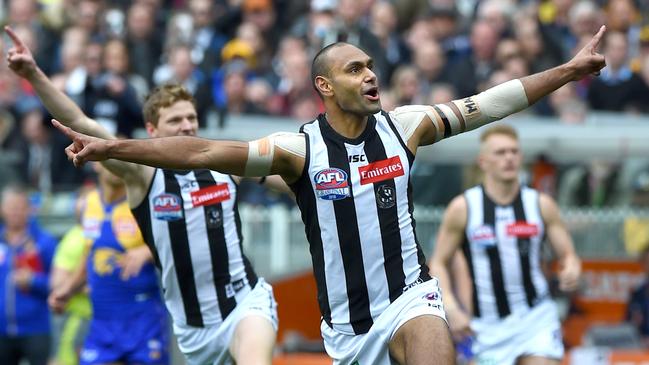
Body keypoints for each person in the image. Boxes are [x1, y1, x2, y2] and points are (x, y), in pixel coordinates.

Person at [50, 25, 606, 365]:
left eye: (370, 66)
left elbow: (488, 104)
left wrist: (569, 71)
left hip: (411, 295)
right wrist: (111, 148)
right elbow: (198, 153)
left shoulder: (405, 126)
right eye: (354, 68)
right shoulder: (297, 150)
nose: (370, 75)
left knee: (433, 341)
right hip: (347, 328)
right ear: (324, 85)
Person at [5, 26, 278, 365]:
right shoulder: (143, 176)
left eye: (191, 118)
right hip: (193, 328)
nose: (186, 126)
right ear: (152, 131)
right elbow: (81, 120)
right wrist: (33, 73)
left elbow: (285, 175)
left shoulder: (223, 163)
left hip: (245, 303)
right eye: (175, 120)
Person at [429, 125, 582, 365]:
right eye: (500, 153)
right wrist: (450, 306)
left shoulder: (540, 204)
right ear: (483, 161)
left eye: (514, 151)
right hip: (486, 326)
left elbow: (568, 255)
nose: (509, 158)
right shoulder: (464, 207)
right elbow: (438, 262)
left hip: (535, 317)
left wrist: (572, 269)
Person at [49, 163, 169, 365]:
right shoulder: (89, 203)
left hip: (142, 319)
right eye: (110, 157)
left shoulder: (144, 201)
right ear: (96, 163)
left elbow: (177, 243)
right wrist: (67, 290)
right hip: (102, 319)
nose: (116, 163)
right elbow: (90, 255)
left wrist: (147, 251)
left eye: (122, 158)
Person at [0, 184, 57, 365]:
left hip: (36, 329)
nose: (15, 212)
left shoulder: (44, 242)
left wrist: (33, 281)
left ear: (29, 209)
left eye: (20, 207)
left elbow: (59, 284)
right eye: (11, 208)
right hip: (1, 332)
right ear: (2, 209)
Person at [50, 190, 92, 365]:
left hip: (106, 319)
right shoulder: (74, 239)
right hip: (79, 318)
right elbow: (57, 283)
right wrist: (88, 288)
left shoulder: (111, 233)